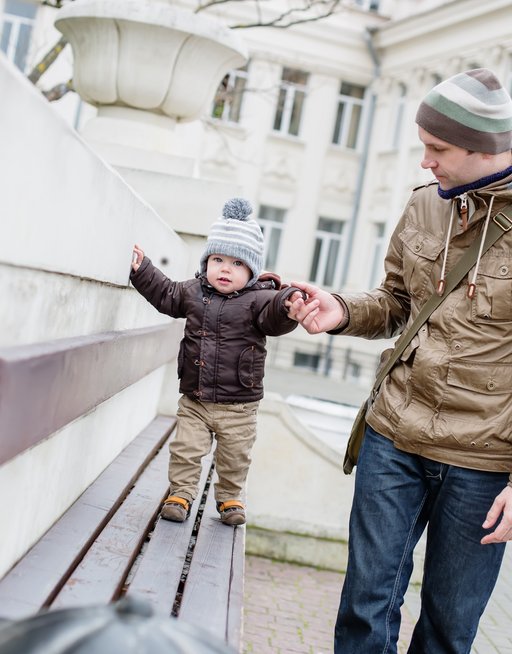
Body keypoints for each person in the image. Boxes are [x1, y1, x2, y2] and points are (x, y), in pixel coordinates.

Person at [287, 68, 512, 653]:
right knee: (364, 607)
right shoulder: (424, 207)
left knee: (447, 628)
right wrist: (339, 308)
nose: (424, 162)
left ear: (483, 147)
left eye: (436, 149)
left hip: (484, 463)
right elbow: (395, 303)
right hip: (393, 437)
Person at [130, 198, 301, 526]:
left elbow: (275, 316)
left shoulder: (259, 300)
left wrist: (287, 306)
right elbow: (165, 293)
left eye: (237, 263)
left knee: (235, 456)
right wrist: (143, 270)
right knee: (186, 449)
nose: (225, 268)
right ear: (206, 261)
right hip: (195, 399)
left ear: (252, 270)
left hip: (239, 406)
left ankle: (230, 497)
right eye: (218, 259)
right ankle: (181, 492)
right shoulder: (193, 292)